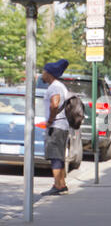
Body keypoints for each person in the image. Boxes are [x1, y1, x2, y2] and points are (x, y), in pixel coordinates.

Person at [41, 59, 70, 196]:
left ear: (49, 73)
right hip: (61, 125)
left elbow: (54, 104)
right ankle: (61, 184)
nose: (42, 74)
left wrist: (50, 120)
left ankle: (58, 186)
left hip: (56, 125)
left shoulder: (54, 87)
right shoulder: (60, 86)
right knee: (59, 156)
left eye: (43, 72)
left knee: (55, 157)